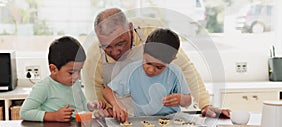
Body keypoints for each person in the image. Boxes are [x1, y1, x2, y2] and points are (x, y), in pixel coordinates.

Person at [82, 8, 230, 118]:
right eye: (107, 46)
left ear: (130, 28)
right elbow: (96, 99)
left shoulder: (153, 32)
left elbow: (185, 69)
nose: (115, 52)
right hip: (125, 119)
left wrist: (205, 104)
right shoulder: (93, 59)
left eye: (120, 43)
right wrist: (108, 110)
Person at [103, 28, 191, 122]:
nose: (151, 70)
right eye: (148, 62)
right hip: (143, 123)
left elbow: (188, 101)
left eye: (159, 67)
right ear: (143, 50)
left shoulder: (175, 72)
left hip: (172, 122)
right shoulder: (132, 70)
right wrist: (116, 104)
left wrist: (181, 99)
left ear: (172, 60)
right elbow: (107, 91)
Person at [20, 36, 105, 122]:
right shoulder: (44, 87)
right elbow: (25, 112)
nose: (76, 76)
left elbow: (82, 103)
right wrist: (53, 116)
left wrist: (90, 106)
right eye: (71, 72)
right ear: (53, 69)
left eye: (79, 71)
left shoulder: (75, 84)